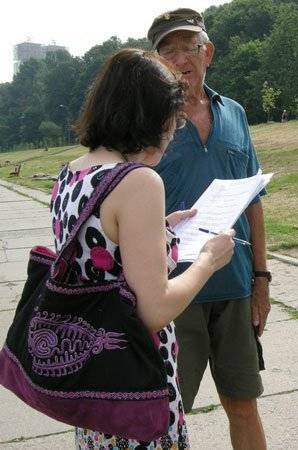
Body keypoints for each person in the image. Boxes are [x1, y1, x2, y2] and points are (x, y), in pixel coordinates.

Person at [51, 48, 235, 449]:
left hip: (92, 373)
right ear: (149, 118)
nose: (172, 135)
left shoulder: (73, 172)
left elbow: (97, 250)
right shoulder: (138, 182)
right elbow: (154, 309)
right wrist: (207, 261)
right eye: (172, 122)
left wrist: (161, 228)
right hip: (134, 373)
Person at [147, 9, 270, 449]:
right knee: (166, 414)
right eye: (169, 50)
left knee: (243, 403)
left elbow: (253, 200)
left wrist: (261, 278)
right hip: (172, 290)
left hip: (235, 286)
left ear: (208, 52)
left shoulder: (233, 112)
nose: (181, 58)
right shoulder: (145, 120)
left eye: (190, 47)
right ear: (155, 60)